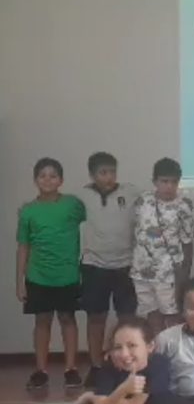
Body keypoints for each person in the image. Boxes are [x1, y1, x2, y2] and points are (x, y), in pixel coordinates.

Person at [20, 317, 170, 404]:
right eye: (118, 347)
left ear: (150, 346)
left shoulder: (157, 365)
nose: (124, 354)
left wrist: (95, 397)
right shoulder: (109, 363)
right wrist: (120, 390)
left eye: (132, 345)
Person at [16, 158, 86, 389]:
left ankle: (71, 369)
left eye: (53, 175)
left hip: (68, 275)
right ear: (35, 180)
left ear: (61, 180)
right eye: (42, 176)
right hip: (38, 276)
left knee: (68, 319)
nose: (47, 180)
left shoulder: (73, 205)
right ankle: (40, 370)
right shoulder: (28, 211)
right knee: (42, 321)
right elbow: (23, 247)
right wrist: (20, 281)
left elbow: (95, 220)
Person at [76, 152, 141, 388]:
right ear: (92, 175)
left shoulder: (131, 192)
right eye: (103, 173)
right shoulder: (81, 196)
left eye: (112, 171)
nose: (109, 177)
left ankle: (127, 365)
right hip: (94, 266)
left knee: (127, 319)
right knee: (96, 319)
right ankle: (96, 366)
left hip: (125, 266)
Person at [130, 158, 194, 334]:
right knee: (151, 314)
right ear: (155, 181)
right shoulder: (143, 200)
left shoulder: (184, 206)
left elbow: (187, 242)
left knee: (173, 317)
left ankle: (173, 350)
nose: (169, 186)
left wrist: (184, 274)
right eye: (164, 181)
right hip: (141, 271)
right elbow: (136, 230)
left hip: (168, 273)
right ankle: (156, 348)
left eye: (174, 182)